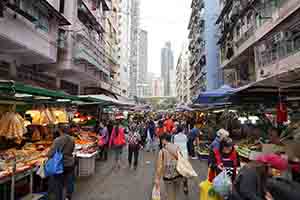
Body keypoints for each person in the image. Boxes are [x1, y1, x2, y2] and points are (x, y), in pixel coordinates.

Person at [48, 124, 75, 200]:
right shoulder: (72, 139)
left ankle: (58, 197)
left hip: (60, 164)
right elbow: (72, 150)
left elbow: (51, 153)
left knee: (58, 183)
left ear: (60, 130)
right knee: (69, 181)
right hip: (70, 163)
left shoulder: (57, 140)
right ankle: (68, 197)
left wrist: (48, 155)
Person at [155, 134, 183, 200]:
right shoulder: (177, 147)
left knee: (169, 195)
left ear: (164, 140)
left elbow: (159, 167)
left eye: (161, 140)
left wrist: (157, 179)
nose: (161, 142)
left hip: (168, 177)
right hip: (178, 175)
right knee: (176, 193)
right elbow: (181, 160)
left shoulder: (162, 151)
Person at [173, 125, 189, 195]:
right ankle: (185, 185)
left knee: (177, 167)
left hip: (177, 153)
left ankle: (177, 179)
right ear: (182, 130)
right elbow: (186, 142)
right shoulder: (185, 136)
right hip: (184, 154)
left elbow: (174, 145)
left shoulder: (175, 137)